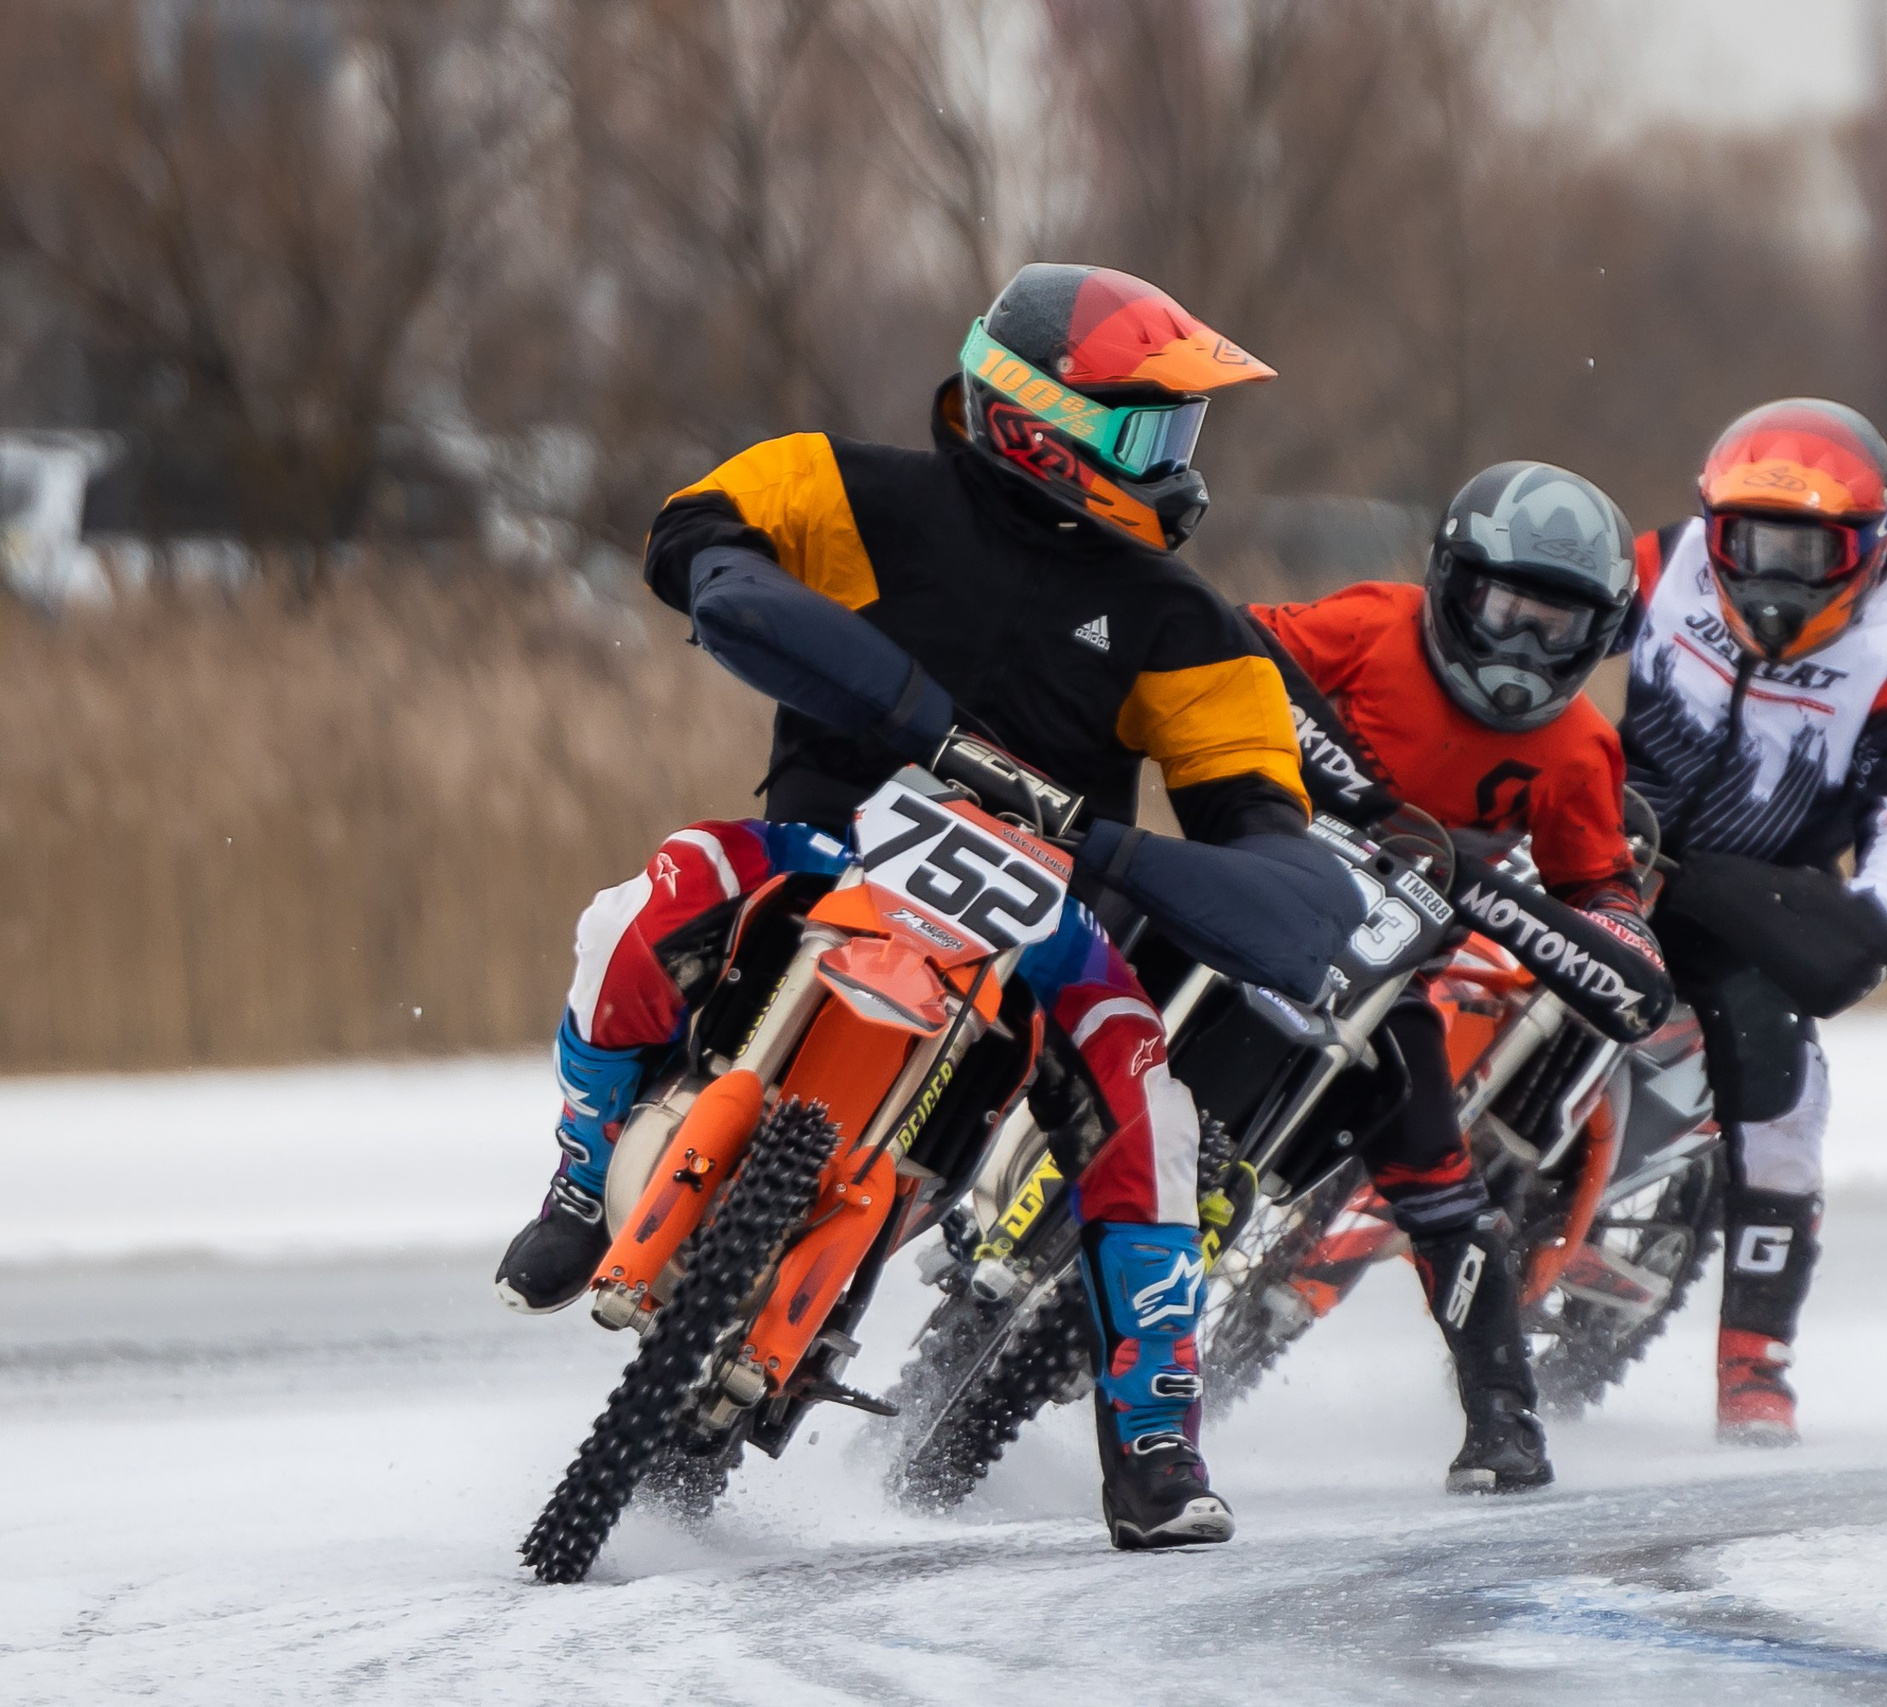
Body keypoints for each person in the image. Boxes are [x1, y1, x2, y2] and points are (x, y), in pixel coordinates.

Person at [494, 263, 1365, 1550]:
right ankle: (582, 1181)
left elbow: (1268, 840)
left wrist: (1115, 847)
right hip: (822, 841)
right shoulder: (848, 487)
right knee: (639, 902)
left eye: (1179, 434)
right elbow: (697, 546)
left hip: (1040, 907)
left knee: (1151, 1103)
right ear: (1030, 415)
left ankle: (1154, 1438)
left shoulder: (1193, 629)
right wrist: (882, 695)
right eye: (1143, 429)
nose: (1175, 465)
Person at [1249, 460, 1666, 1495]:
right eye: (1507, 610)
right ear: (1451, 580)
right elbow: (1234, 647)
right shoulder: (1367, 627)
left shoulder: (1578, 751)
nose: (1525, 646)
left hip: (1395, 986)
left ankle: (1503, 1423)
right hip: (1251, 904)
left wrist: (1623, 941)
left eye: (1557, 626)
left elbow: (1600, 888)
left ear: (1598, 637)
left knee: (1442, 1187)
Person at [1619, 398, 1887, 1447]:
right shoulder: (1662, 562)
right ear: (1714, 531)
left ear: (1864, 547)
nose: (1776, 578)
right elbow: (1554, 629)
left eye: (1811, 553)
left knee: (1788, 1098)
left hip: (1742, 899)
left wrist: (1874, 917)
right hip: (1599, 843)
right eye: (1754, 545)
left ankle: (1754, 1363)